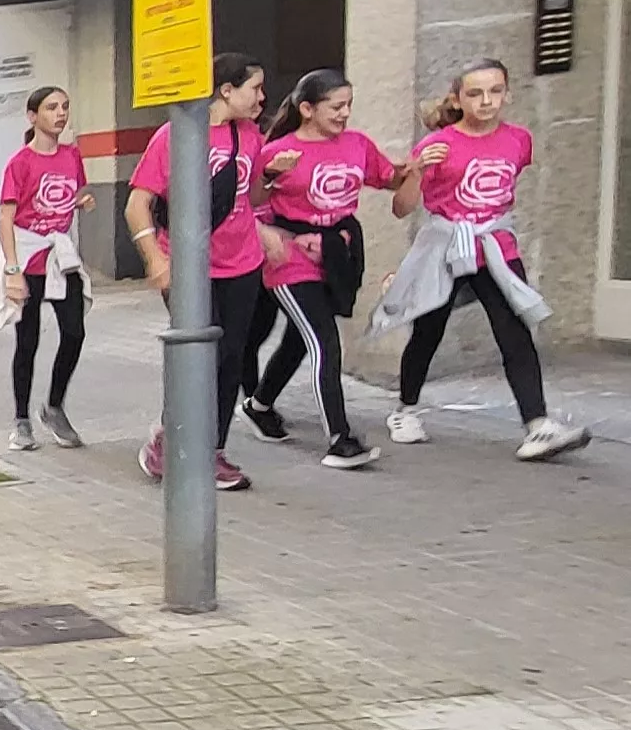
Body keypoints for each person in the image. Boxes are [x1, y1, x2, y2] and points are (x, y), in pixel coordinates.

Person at [378, 59, 592, 461]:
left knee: (514, 330)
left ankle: (537, 425)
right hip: (446, 246)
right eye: (475, 93)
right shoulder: (438, 144)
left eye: (495, 91)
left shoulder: (519, 139)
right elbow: (401, 209)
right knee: (429, 329)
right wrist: (417, 172)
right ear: (458, 99)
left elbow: (504, 189)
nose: (487, 101)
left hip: (496, 247)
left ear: (508, 94)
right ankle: (405, 409)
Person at [128, 54, 279, 491]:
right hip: (189, 265)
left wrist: (265, 227)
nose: (262, 97)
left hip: (242, 263)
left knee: (231, 357)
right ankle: (168, 439)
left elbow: (246, 196)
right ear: (226, 90)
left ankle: (212, 450)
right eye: (254, 88)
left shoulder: (249, 134)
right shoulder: (175, 135)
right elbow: (137, 203)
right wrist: (155, 260)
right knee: (197, 356)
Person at [250, 70, 395, 469]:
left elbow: (390, 178)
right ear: (307, 109)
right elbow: (248, 202)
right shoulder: (278, 150)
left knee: (299, 341)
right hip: (289, 257)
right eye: (336, 106)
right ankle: (339, 439)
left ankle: (259, 404)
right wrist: (271, 185)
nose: (345, 113)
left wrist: (418, 167)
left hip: (336, 253)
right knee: (324, 342)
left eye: (349, 104)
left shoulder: (357, 144)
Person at [0, 87, 96, 452]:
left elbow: (71, 196)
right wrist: (12, 270)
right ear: (32, 116)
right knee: (28, 340)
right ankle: (21, 420)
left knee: (75, 332)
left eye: (65, 106)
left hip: (60, 258)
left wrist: (81, 202)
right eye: (51, 107)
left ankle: (53, 406)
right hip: (29, 259)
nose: (60, 113)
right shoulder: (19, 163)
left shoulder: (72, 155)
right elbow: (6, 218)